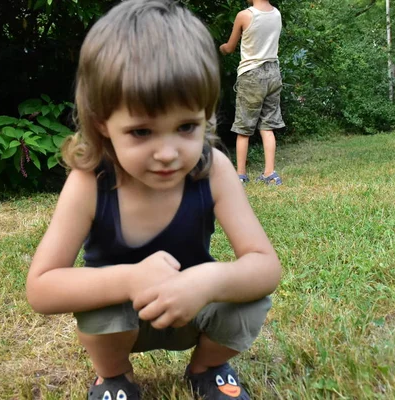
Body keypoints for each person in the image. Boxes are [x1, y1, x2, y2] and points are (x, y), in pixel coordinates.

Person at [26, 1, 281, 399]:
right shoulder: (90, 181)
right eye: (141, 132)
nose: (168, 152)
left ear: (206, 115)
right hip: (121, 315)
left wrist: (207, 279)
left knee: (249, 302)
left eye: (185, 126)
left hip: (194, 306)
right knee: (99, 305)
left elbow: (266, 268)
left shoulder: (213, 169)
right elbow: (41, 288)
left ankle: (207, 368)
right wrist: (129, 278)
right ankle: (114, 377)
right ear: (101, 124)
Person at [220, 0, 285, 185]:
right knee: (268, 126)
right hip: (273, 72)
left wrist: (221, 49)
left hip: (251, 74)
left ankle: (240, 175)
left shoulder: (245, 15)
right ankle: (270, 173)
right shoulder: (276, 14)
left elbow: (230, 47)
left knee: (244, 128)